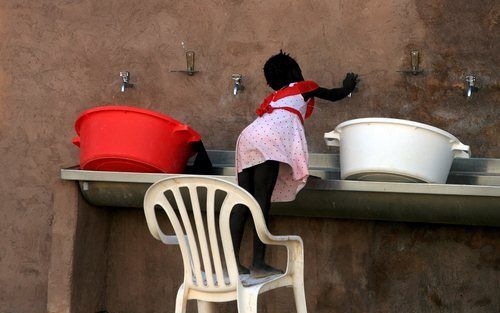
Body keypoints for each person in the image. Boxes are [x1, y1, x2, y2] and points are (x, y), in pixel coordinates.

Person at [231, 50, 358, 277]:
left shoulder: (272, 98)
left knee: (243, 200)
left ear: (270, 81)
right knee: (261, 200)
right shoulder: (303, 86)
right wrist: (348, 86)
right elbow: (332, 94)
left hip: (248, 136)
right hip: (269, 138)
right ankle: (258, 263)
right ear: (294, 72)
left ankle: (229, 264)